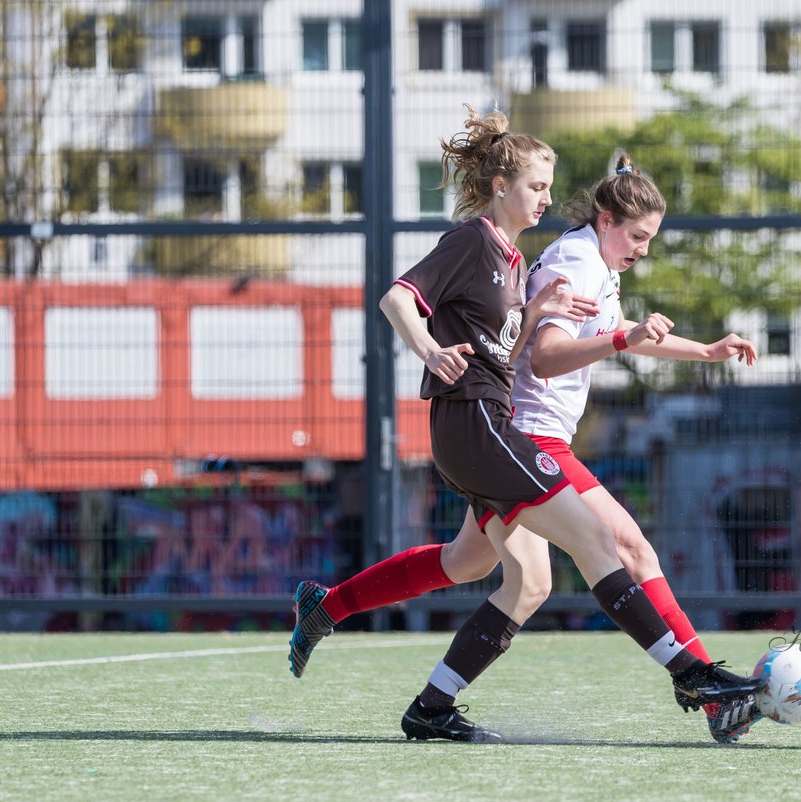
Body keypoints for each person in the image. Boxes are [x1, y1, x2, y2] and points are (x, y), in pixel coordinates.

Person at [292, 106, 763, 743]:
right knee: (608, 545)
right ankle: (696, 679)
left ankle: (404, 681)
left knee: (503, 574)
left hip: (493, 428)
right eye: (537, 186)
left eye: (548, 186)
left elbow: (512, 355)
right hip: (494, 429)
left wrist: (699, 350)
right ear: (500, 186)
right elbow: (405, 302)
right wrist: (431, 349)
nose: (547, 198)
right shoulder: (494, 244)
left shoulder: (518, 263)